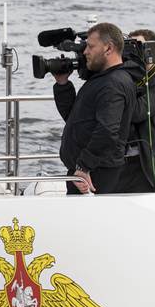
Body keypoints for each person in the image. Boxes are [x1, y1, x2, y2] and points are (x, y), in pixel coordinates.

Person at [52, 22, 136, 195]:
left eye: (90, 46)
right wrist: (62, 84)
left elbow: (107, 130)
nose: (85, 52)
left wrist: (84, 166)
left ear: (109, 48)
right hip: (83, 170)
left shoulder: (113, 83)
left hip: (95, 174)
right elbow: (74, 118)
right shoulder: (101, 79)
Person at [118, 29, 155, 193]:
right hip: (126, 161)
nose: (133, 52)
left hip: (150, 165)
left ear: (151, 50)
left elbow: (137, 112)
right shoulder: (128, 78)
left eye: (138, 47)